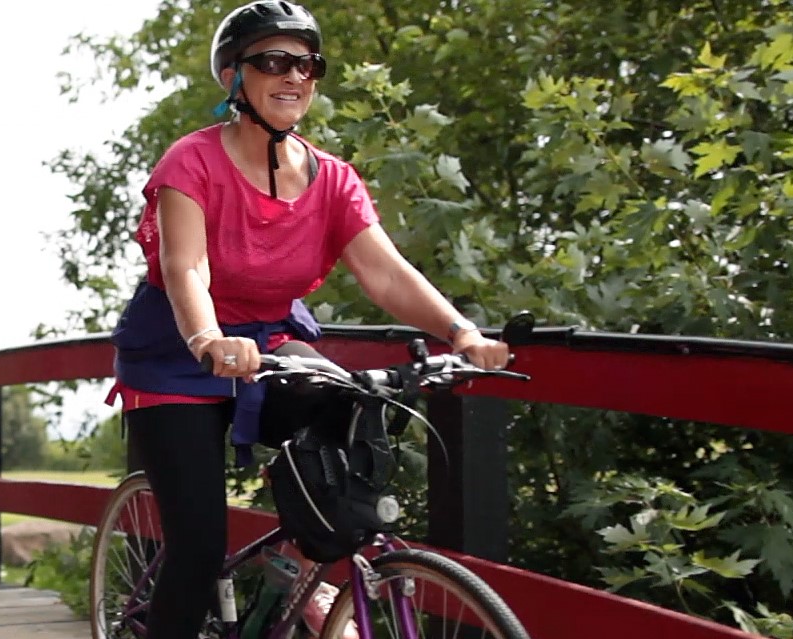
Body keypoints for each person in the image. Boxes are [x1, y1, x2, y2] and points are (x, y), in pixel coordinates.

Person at [105, 2, 511, 637]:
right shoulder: (192, 162)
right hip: (177, 354)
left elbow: (384, 273)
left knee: (347, 405)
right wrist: (209, 338)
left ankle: (296, 570)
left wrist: (459, 332)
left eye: (307, 64)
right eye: (273, 62)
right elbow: (188, 268)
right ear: (234, 76)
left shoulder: (334, 180)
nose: (294, 76)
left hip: (268, 341)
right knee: (198, 546)